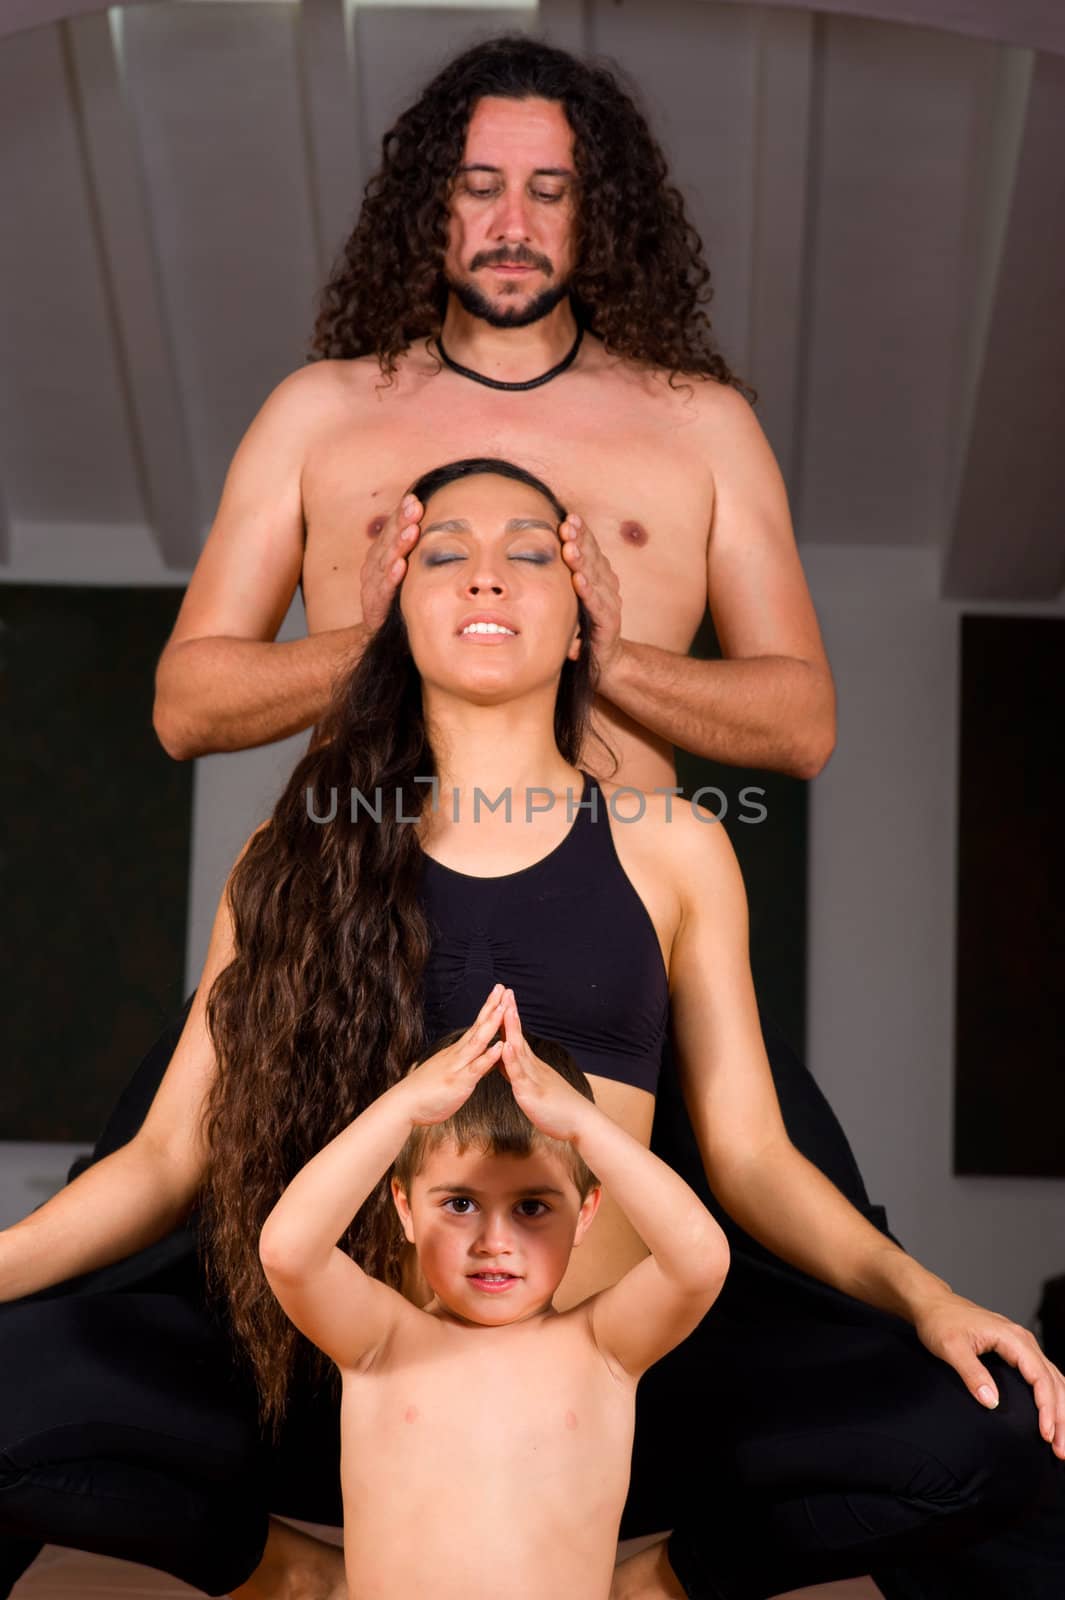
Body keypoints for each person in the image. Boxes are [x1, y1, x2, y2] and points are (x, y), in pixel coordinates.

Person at [1, 462, 1060, 1600]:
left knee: (993, 1428)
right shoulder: (292, 850)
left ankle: (665, 1582)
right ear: (395, 624)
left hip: (610, 1395)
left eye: (532, 552)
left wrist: (928, 1295)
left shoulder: (675, 847)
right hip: (346, 1395)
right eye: (444, 553)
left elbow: (752, 1156)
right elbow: (166, 1158)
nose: (487, 573)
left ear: (580, 627)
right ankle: (280, 1565)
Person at [259, 997, 729, 1600]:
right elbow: (287, 1250)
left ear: (585, 1215)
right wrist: (403, 1107)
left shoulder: (603, 1348)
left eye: (532, 1207)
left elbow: (701, 1260)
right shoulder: (383, 1341)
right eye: (460, 1204)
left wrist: (585, 1126)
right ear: (405, 1208)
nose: (494, 1243)